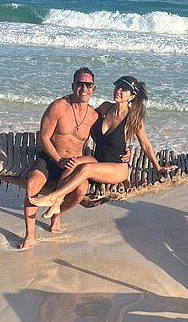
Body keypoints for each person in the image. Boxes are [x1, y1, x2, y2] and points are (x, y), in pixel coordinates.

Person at [30, 75, 176, 218]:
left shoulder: (133, 118)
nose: (118, 90)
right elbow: (85, 115)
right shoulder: (105, 108)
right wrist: (68, 101)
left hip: (117, 168)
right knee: (72, 164)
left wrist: (158, 167)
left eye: (123, 89)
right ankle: (56, 206)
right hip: (97, 160)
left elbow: (145, 145)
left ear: (131, 97)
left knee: (85, 168)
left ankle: (54, 197)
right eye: (117, 87)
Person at [18, 67, 99, 250]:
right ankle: (30, 236)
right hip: (49, 158)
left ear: (93, 89)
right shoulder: (59, 106)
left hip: (73, 163)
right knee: (32, 185)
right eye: (80, 83)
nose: (84, 88)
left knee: (81, 191)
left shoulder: (94, 116)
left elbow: (110, 136)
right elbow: (44, 137)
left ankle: (56, 213)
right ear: (73, 86)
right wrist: (57, 159)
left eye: (88, 85)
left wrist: (126, 153)